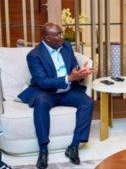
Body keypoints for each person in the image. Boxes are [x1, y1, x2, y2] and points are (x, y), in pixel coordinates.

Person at [18, 23, 95, 169]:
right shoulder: (34, 55)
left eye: (62, 33)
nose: (62, 36)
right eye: (59, 34)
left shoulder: (66, 46)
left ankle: (74, 146)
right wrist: (69, 78)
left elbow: (73, 68)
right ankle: (43, 150)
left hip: (67, 91)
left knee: (88, 102)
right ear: (48, 38)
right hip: (46, 92)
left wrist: (80, 73)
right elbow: (43, 82)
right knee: (41, 102)